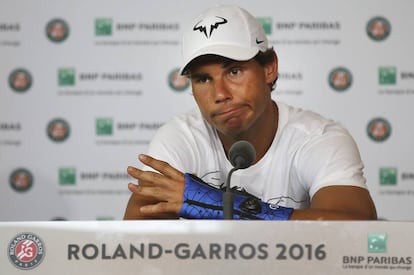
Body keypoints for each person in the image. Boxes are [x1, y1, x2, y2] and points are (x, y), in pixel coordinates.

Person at [124, 5, 377, 220]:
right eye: (203, 79)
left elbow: (357, 227)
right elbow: (135, 243)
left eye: (234, 71)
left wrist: (210, 203)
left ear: (269, 68)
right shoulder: (181, 136)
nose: (220, 93)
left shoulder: (318, 137)